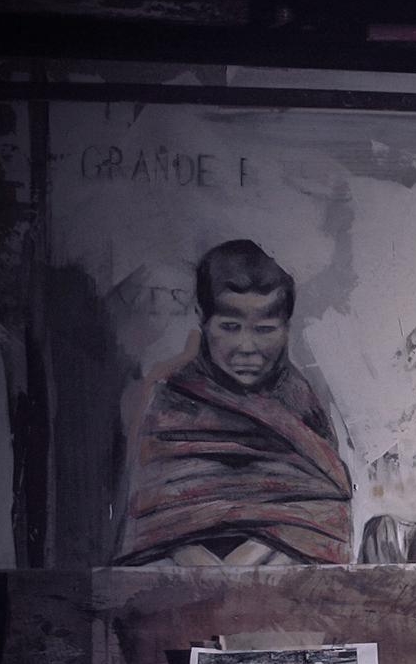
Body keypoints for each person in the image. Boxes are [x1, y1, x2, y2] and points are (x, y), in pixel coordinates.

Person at [117, 240, 352, 565]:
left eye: (265, 329)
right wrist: (208, 574)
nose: (247, 347)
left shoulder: (304, 411)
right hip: (182, 579)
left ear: (287, 328)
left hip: (280, 578)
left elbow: (325, 513)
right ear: (203, 319)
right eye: (230, 327)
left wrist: (253, 565)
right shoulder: (173, 404)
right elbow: (156, 520)